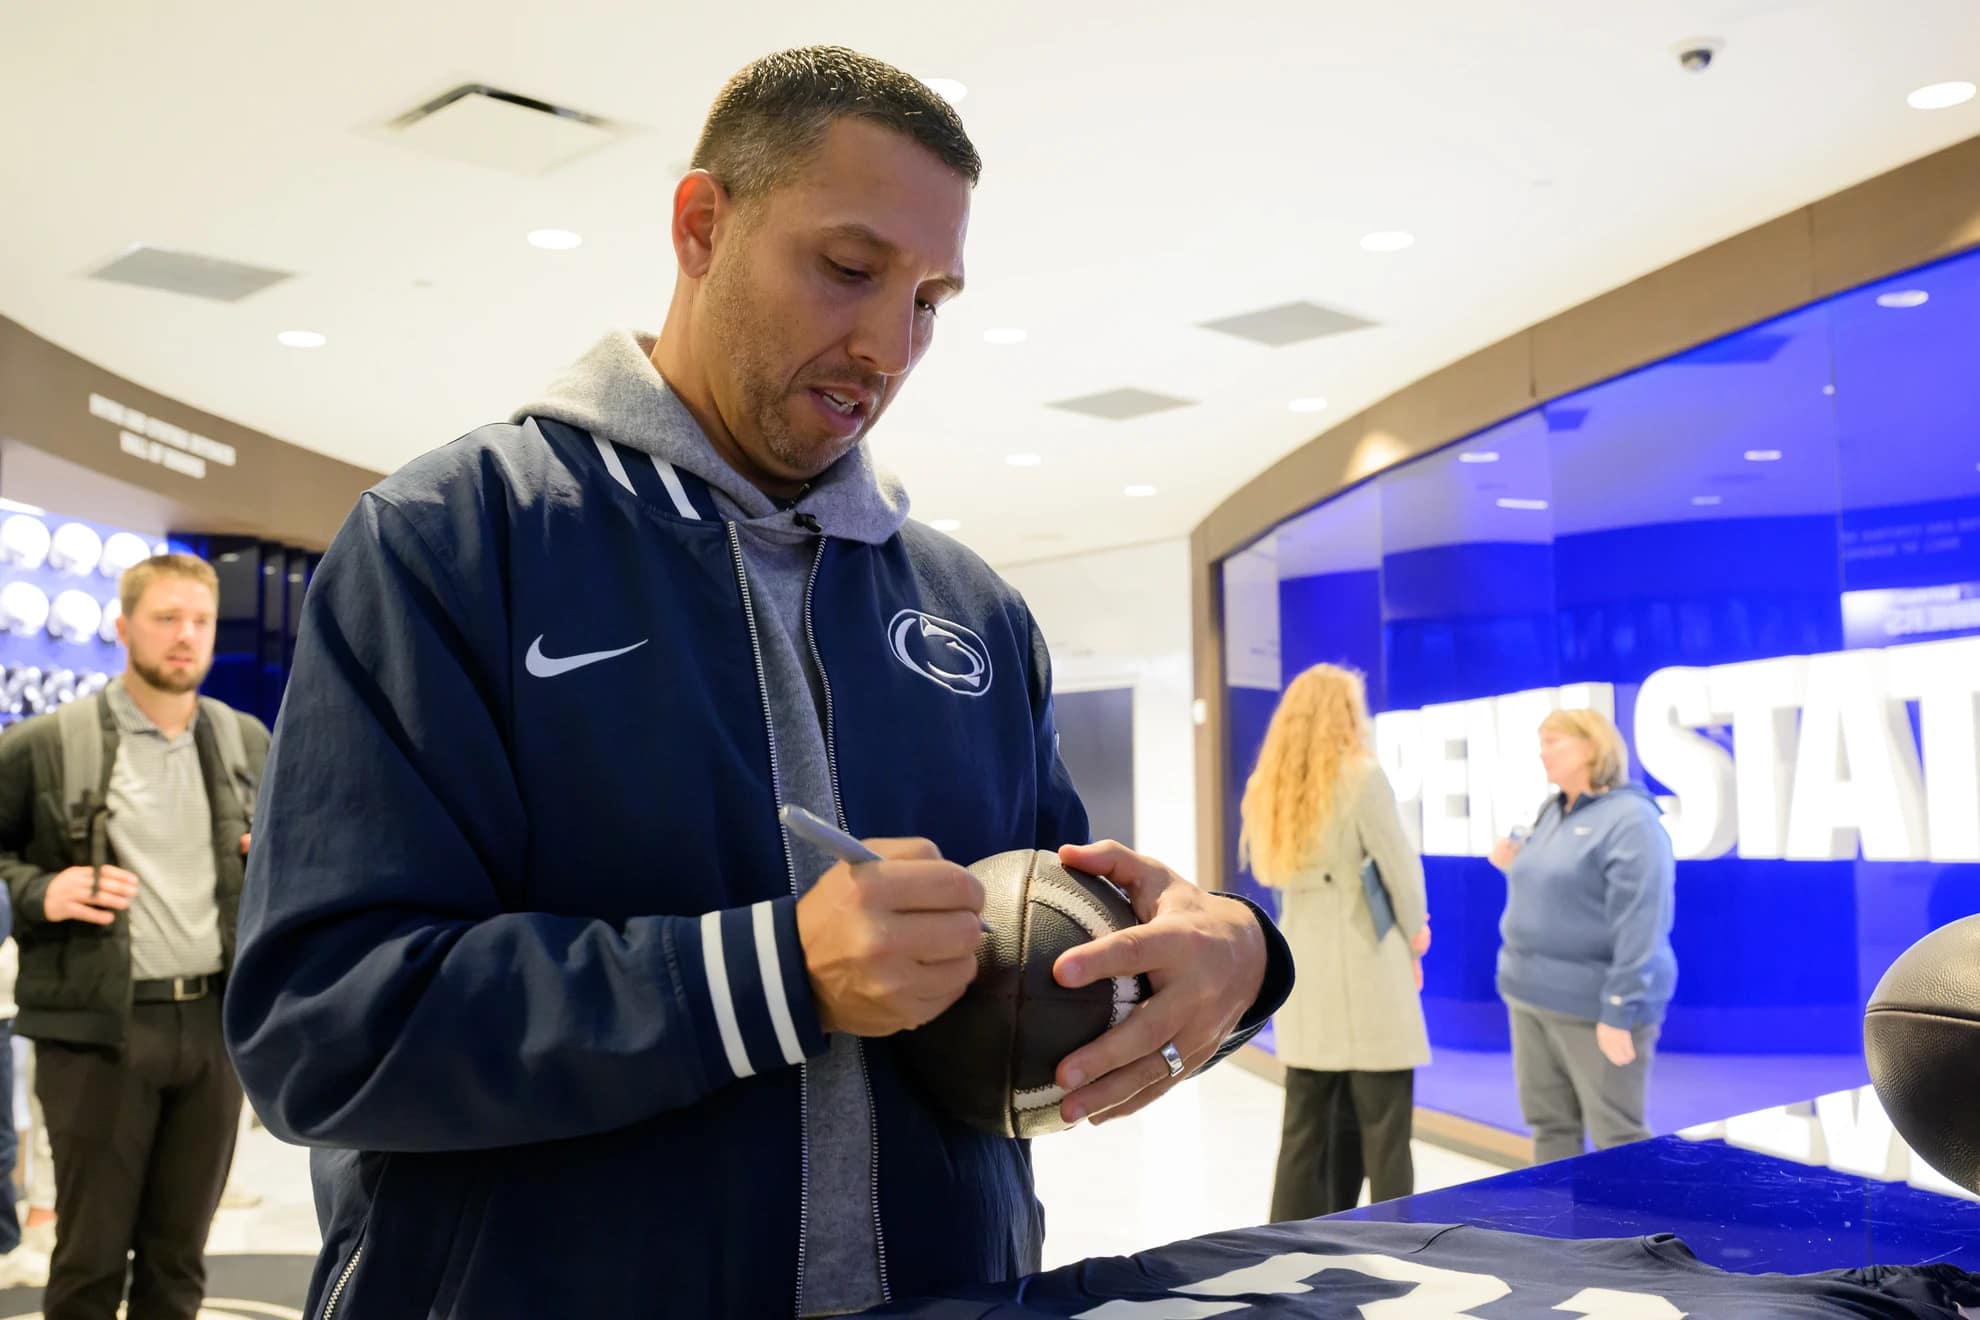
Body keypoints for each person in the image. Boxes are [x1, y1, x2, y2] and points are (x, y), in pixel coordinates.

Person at [223, 45, 1294, 1319]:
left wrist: (1224, 963)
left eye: (930, 299)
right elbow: (323, 1032)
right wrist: (773, 976)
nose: (889, 345)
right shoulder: (455, 541)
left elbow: (1050, 945)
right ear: (699, 226)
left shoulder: (971, 609)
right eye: (848, 270)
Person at [0, 554, 267, 1319]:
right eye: (166, 618)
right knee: (87, 1258)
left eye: (201, 621)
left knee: (178, 1258)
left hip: (213, 1028)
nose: (186, 636)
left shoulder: (246, 743)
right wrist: (41, 890)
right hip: (98, 1034)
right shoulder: (47, 743)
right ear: (122, 628)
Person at [1242, 665, 1429, 1221]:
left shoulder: (1267, 786)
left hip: (1303, 962)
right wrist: (1415, 931)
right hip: (1365, 959)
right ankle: (1402, 1245)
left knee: (1306, 1126)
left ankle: (1290, 1244)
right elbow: (1400, 870)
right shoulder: (1360, 777)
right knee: (1386, 1128)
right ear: (1345, 714)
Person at [1490, 708, 1676, 1164]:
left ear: (1593, 747)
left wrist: (1619, 1008)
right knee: (1550, 1127)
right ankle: (1561, 1233)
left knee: (1618, 1135)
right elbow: (1560, 887)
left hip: (1594, 1006)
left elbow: (1642, 922)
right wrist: (1513, 864)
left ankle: (1636, 1234)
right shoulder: (1553, 810)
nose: (1542, 752)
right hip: (1529, 995)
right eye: (1542, 741)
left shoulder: (1631, 821)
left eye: (1555, 742)